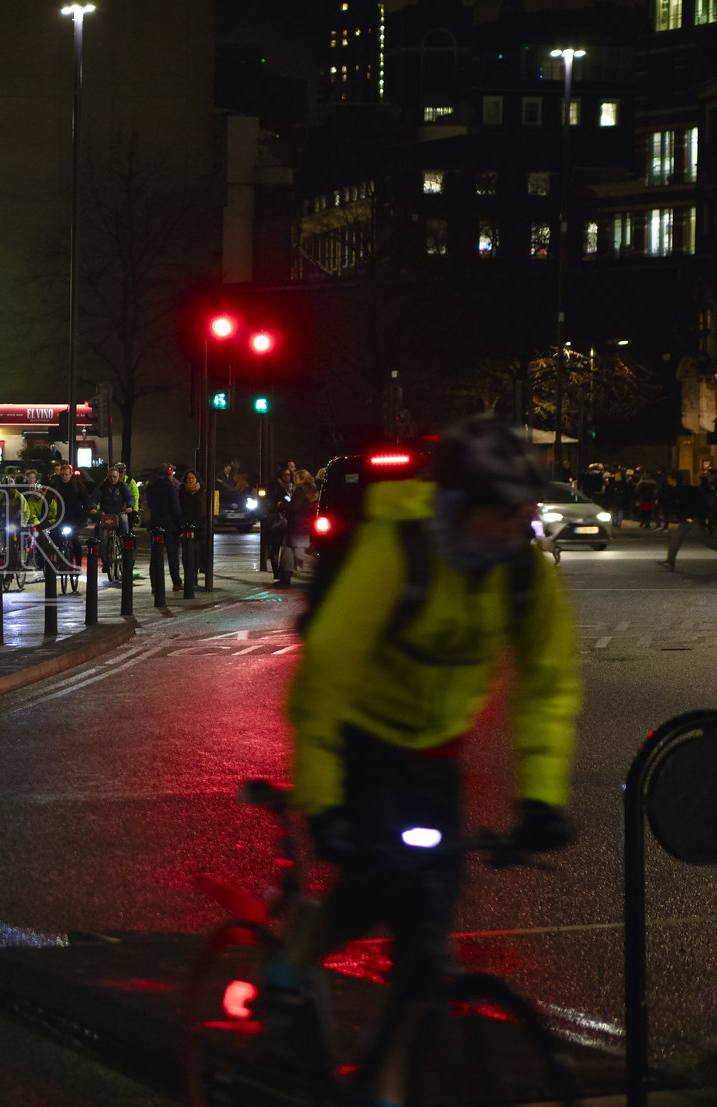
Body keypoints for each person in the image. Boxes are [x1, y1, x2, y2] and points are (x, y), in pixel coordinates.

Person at [280, 415, 579, 1105]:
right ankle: (293, 959)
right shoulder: (399, 551)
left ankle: (383, 1085)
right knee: (373, 884)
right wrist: (323, 801)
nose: (520, 524)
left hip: (437, 755)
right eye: (504, 510)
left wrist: (540, 797)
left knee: (427, 938)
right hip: (364, 739)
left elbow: (549, 680)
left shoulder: (520, 571)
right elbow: (326, 675)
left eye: (524, 509)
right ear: (461, 506)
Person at [145, 464, 186, 592]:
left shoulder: (151, 487)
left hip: (155, 524)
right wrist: (181, 526)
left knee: (155, 557)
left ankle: (155, 585)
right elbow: (175, 507)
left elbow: (150, 504)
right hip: (170, 526)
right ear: (168, 473)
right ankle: (176, 582)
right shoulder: (170, 487)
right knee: (173, 555)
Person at [275, 470, 319, 586]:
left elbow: (294, 507)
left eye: (296, 478)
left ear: (301, 478)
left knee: (298, 554)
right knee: (288, 551)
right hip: (303, 524)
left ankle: (321, 566)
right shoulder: (311, 490)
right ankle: (285, 578)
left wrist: (282, 504)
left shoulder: (300, 490)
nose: (294, 480)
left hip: (296, 525)